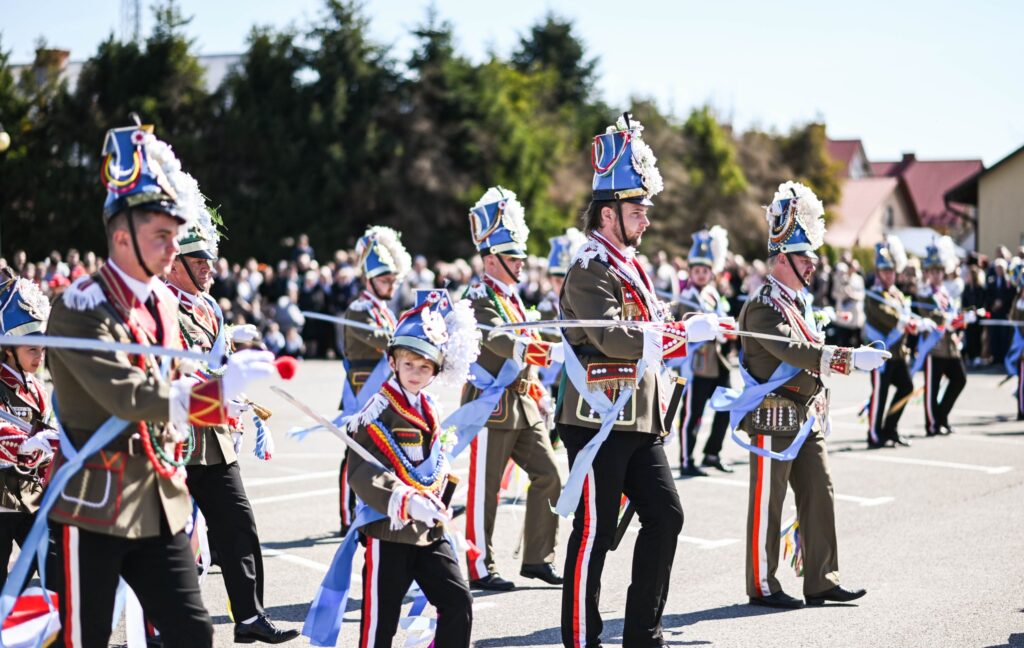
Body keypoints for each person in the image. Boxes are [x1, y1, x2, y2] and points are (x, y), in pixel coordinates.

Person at [45, 123, 278, 647]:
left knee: (192, 633)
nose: (175, 247)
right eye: (162, 234)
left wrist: (226, 394)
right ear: (121, 235)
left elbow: (176, 380)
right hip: (97, 505)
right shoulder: (80, 305)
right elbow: (129, 398)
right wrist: (214, 394)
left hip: (162, 498)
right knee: (85, 638)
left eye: (177, 234)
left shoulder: (166, 303)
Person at [556, 114, 718, 647]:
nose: (645, 220)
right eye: (636, 210)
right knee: (595, 534)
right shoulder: (588, 268)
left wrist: (682, 327)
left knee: (666, 516)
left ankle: (643, 633)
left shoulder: (628, 264)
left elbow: (645, 331)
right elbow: (615, 339)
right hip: (597, 417)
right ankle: (582, 635)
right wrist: (677, 336)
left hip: (639, 418)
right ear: (609, 214)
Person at [716, 181, 887, 610]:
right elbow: (796, 352)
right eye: (805, 257)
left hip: (805, 413)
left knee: (820, 489)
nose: (813, 264)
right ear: (782, 259)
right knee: (767, 501)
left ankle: (822, 578)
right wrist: (849, 358)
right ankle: (762, 583)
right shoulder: (763, 306)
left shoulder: (797, 304)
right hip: (771, 414)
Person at [165, 209, 297, 643]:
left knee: (239, 525)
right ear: (176, 263)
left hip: (215, 439)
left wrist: (236, 390)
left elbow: (218, 363)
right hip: (178, 437)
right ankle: (165, 624)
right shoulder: (161, 305)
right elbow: (173, 370)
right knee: (174, 538)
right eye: (198, 261)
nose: (208, 268)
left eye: (209, 261)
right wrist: (218, 385)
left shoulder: (209, 310)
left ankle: (249, 616)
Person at [346, 288, 478, 648]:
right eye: (408, 365)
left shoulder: (429, 406)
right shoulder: (378, 408)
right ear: (392, 363)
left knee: (458, 603)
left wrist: (440, 487)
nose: (416, 373)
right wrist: (404, 499)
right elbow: (360, 472)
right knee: (380, 627)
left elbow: (429, 460)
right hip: (388, 531)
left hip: (428, 531)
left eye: (424, 367)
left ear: (435, 371)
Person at [462, 186, 564, 590]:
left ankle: (538, 557)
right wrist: (547, 353)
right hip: (490, 408)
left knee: (551, 476)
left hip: (523, 406)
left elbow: (526, 342)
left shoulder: (514, 298)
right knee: (484, 491)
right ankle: (476, 563)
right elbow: (501, 341)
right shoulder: (478, 297)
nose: (522, 263)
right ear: (491, 259)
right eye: (513, 256)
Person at [338, 226, 410, 535]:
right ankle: (347, 514)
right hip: (362, 389)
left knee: (383, 450)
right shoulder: (359, 309)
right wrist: (401, 336)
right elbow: (377, 338)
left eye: (393, 279)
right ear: (369, 280)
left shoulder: (383, 309)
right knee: (353, 451)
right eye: (384, 279)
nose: (390, 284)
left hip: (382, 391)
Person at [0, 273, 58, 591]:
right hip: (0, 496)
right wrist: (26, 443)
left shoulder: (36, 387)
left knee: (56, 566)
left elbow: (47, 428)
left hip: (30, 496)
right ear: (8, 349)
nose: (40, 357)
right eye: (32, 349)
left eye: (42, 349)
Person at [675, 226, 735, 476]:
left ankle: (712, 453)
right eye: (696, 270)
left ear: (711, 273)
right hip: (697, 364)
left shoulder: (713, 294)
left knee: (726, 408)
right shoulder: (685, 297)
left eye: (705, 271)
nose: (700, 274)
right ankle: (687, 460)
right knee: (692, 414)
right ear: (690, 272)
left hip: (718, 360)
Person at [863, 236, 930, 448]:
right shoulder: (874, 294)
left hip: (898, 353)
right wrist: (905, 321)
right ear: (878, 272)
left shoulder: (898, 295)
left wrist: (920, 322)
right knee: (880, 395)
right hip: (879, 354)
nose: (889, 275)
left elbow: (905, 315)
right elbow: (885, 315)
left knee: (907, 387)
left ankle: (890, 429)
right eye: (885, 271)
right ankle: (874, 434)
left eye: (891, 271)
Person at [917, 237, 971, 436]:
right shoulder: (924, 293)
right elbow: (927, 315)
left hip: (950, 346)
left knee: (960, 379)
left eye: (939, 270)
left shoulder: (945, 293)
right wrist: (947, 319)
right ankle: (933, 423)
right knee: (932, 388)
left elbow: (953, 315)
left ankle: (942, 417)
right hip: (934, 347)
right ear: (928, 273)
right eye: (933, 271)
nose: (937, 274)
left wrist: (963, 318)